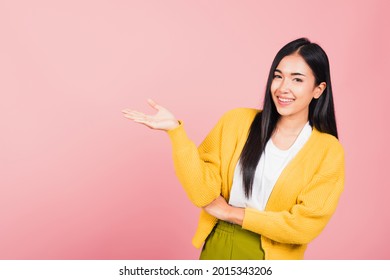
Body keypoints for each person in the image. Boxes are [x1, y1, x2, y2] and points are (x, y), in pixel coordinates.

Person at [122, 38, 345, 260]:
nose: (283, 88)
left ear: (318, 89)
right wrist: (175, 133)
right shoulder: (237, 122)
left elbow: (304, 225)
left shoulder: (328, 151)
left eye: (297, 79)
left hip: (272, 258)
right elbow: (202, 192)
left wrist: (231, 213)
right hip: (219, 244)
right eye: (278, 76)